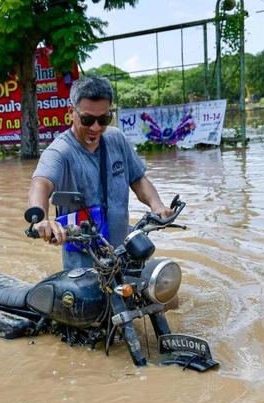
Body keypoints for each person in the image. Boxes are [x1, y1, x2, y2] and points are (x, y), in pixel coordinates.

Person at [27, 76, 173, 270]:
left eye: (103, 119)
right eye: (87, 119)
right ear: (71, 112)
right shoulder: (60, 152)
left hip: (124, 251)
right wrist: (42, 220)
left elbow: (138, 179)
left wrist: (157, 205)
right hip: (85, 262)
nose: (96, 128)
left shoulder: (116, 139)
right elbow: (40, 184)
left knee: (164, 293)